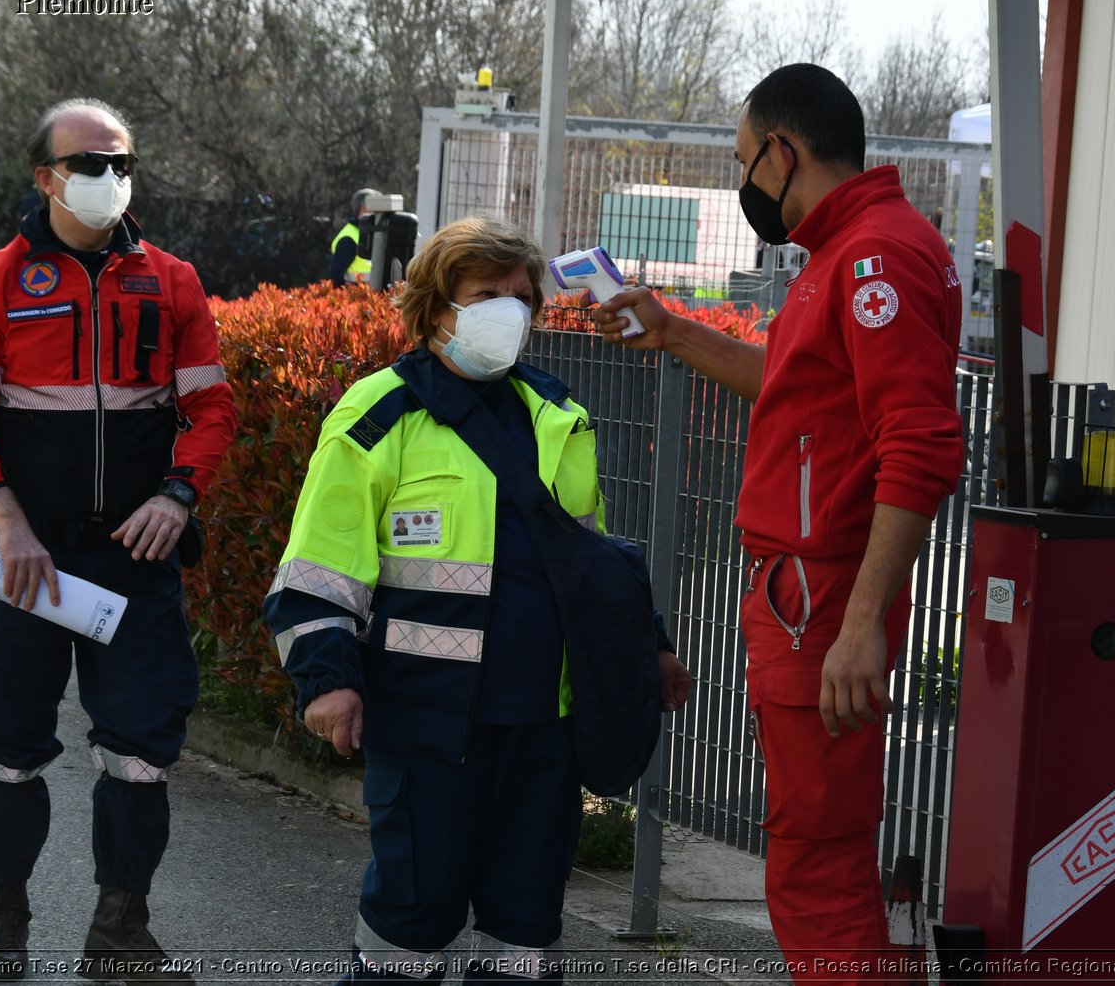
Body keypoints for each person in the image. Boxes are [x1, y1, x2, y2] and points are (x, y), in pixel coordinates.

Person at [594, 64, 964, 983]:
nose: (743, 179)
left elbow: (919, 445)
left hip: (824, 599)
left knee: (817, 866)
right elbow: (799, 384)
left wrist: (861, 622)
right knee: (816, 854)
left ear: (782, 151)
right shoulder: (844, 252)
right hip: (811, 598)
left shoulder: (874, 257)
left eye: (741, 157)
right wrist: (674, 330)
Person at [265, 215, 690, 983]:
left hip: (546, 732)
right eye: (487, 294)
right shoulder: (376, 417)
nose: (510, 311)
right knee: (407, 933)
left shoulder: (557, 415)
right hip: (428, 727)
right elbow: (316, 575)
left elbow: (586, 561)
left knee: (523, 943)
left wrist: (647, 641)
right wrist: (327, 680)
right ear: (436, 309)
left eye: (522, 296)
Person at [0, 98, 236, 981]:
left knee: (140, 753)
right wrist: (8, 520)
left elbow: (211, 408)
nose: (108, 179)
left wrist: (179, 495)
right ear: (46, 177)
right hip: (19, 556)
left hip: (133, 560)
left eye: (121, 163)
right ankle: (6, 918)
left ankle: (119, 931)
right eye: (89, 163)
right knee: (8, 751)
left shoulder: (172, 280)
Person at [326, 187, 383, 286]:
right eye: (377, 207)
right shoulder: (348, 239)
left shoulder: (371, 235)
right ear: (363, 208)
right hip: (356, 297)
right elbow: (335, 278)